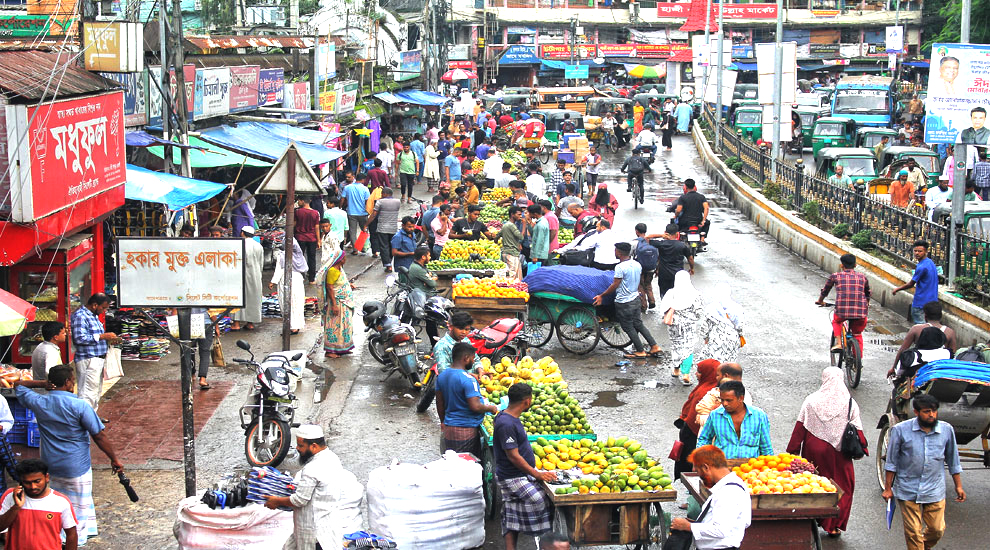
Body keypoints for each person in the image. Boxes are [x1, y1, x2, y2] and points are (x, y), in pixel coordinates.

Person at [13, 367, 123, 545]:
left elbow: (18, 384)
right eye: (72, 379)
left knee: (58, 500)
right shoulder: (80, 405)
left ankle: (67, 534)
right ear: (68, 382)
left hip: (51, 464)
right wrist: (114, 459)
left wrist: (45, 384)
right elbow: (99, 435)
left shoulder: (40, 401)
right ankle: (74, 540)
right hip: (76, 465)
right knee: (78, 504)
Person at [787, 367, 867, 537]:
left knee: (814, 484)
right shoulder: (850, 402)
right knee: (843, 486)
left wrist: (792, 451)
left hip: (813, 450)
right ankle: (833, 525)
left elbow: (800, 426)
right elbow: (858, 430)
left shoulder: (811, 400)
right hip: (839, 453)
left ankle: (814, 517)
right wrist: (863, 448)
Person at [883, 394, 965, 550]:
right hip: (908, 489)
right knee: (913, 533)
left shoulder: (946, 430)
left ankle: (922, 546)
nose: (932, 415)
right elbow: (891, 462)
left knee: (937, 530)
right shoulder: (900, 431)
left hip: (934, 489)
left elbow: (953, 460)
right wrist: (888, 488)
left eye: (934, 411)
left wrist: (958, 486)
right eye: (927, 411)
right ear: (916, 412)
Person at [263, 425, 359, 550]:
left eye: (300, 446)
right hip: (324, 523)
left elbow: (299, 500)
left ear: (314, 446)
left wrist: (276, 501)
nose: (297, 449)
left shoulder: (312, 468)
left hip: (312, 529)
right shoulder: (332, 458)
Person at [493, 383, 558, 550]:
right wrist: (536, 474)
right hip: (512, 476)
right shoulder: (506, 424)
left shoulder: (509, 418)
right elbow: (513, 456)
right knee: (541, 500)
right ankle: (545, 543)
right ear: (527, 401)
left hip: (518, 474)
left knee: (511, 508)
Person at [669, 445, 751, 550]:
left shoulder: (728, 493)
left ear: (706, 468)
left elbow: (720, 530)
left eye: (698, 472)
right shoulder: (733, 484)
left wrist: (688, 526)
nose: (700, 478)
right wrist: (699, 523)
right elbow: (745, 522)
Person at [593, 242, 662, 359]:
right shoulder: (637, 264)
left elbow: (615, 285)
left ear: (619, 253)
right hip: (635, 299)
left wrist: (602, 295)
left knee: (628, 327)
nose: (614, 252)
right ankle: (654, 346)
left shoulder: (620, 267)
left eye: (615, 250)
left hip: (624, 302)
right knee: (639, 324)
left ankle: (640, 351)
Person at [0, 459, 78, 550]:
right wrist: (16, 507)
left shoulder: (61, 501)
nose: (33, 487)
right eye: (27, 482)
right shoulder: (10, 496)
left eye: (37, 481)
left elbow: (71, 535)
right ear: (21, 481)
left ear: (47, 477)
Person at [436, 342, 499, 456]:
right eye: (472, 358)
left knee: (452, 462)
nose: (474, 361)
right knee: (466, 466)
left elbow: (439, 402)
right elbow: (476, 406)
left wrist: (443, 421)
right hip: (465, 430)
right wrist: (491, 408)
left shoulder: (442, 376)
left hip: (449, 429)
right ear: (466, 358)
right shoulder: (468, 379)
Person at [696, 381, 773, 459]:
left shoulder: (759, 416)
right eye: (722, 400)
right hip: (721, 465)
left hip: (750, 467)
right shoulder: (715, 415)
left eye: (729, 400)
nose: (724, 403)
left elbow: (765, 446)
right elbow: (704, 439)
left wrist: (770, 465)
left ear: (741, 398)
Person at [673, 359, 721, 479]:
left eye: (699, 372)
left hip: (694, 436)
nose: (696, 374)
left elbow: (698, 419)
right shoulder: (707, 387)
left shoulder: (707, 393)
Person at [70, 293, 116, 413]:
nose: (104, 311)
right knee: (87, 392)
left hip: (97, 359)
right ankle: (85, 420)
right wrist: (102, 336)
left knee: (95, 391)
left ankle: (92, 417)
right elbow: (79, 338)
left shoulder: (93, 316)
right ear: (95, 305)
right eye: (103, 308)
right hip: (88, 359)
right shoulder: (81, 316)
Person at [888, 301, 957, 378]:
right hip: (940, 371)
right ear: (941, 315)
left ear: (925, 316)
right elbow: (952, 356)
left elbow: (902, 350)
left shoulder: (916, 329)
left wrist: (893, 368)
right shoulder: (950, 332)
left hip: (919, 371)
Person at [817, 253, 870, 352]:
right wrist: (866, 303)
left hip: (842, 311)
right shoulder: (862, 277)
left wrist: (820, 301)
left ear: (842, 265)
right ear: (855, 265)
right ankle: (857, 363)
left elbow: (825, 290)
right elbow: (868, 293)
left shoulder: (835, 276)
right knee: (857, 334)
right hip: (860, 312)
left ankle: (838, 343)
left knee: (836, 321)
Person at [660, 271, 705, 385]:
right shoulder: (695, 294)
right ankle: (686, 374)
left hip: (674, 326)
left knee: (676, 347)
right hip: (688, 326)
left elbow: (663, 309)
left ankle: (676, 370)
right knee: (688, 348)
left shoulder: (671, 293)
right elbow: (699, 312)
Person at [698, 282, 745, 366]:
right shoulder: (737, 308)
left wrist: (705, 337)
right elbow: (740, 326)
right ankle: (726, 378)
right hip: (732, 339)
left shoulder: (711, 308)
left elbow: (705, 326)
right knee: (728, 364)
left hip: (716, 339)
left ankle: (716, 378)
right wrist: (740, 335)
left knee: (715, 363)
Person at [892, 240, 939, 324]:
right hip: (932, 300)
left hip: (921, 302)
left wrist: (897, 289)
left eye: (920, 251)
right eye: (915, 251)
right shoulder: (930, 263)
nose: (917, 253)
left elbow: (911, 284)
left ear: (925, 252)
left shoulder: (921, 267)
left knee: (920, 325)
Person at [320, 249, 355, 358]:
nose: (346, 259)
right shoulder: (332, 271)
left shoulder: (340, 269)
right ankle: (331, 351)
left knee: (345, 326)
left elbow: (340, 281)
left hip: (344, 303)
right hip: (337, 303)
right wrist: (334, 305)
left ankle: (342, 347)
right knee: (335, 326)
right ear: (340, 259)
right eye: (344, 258)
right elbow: (330, 288)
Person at [696, 363, 751, 429]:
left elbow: (723, 422)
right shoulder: (743, 394)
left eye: (717, 375)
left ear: (725, 376)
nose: (716, 378)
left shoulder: (731, 395)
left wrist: (701, 418)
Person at [271, 238, 308, 334]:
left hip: (285, 279)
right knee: (297, 303)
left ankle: (292, 327)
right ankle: (297, 325)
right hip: (297, 280)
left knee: (287, 302)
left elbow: (278, 270)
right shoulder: (299, 255)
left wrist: (273, 282)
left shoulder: (282, 256)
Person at [647, 223, 694, 297]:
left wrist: (661, 235)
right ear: (677, 234)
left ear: (666, 232)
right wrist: (692, 268)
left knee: (664, 294)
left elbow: (647, 238)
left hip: (664, 274)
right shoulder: (682, 246)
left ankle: (665, 307)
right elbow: (690, 258)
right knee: (677, 294)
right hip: (677, 275)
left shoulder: (661, 244)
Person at [557, 218, 621, 271]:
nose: (596, 228)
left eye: (597, 226)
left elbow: (587, 246)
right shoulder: (616, 234)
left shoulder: (598, 236)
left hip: (601, 263)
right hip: (615, 262)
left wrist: (576, 248)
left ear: (603, 227)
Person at [232, 226, 264, 331]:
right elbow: (261, 263)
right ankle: (250, 323)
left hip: (239, 275)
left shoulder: (239, 245)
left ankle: (236, 324)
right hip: (255, 275)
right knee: (252, 298)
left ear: (242, 233)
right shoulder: (259, 246)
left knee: (238, 297)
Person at [431, 310, 482, 374]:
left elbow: (475, 359)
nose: (464, 332)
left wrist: (480, 370)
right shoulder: (442, 346)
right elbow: (444, 372)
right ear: (451, 327)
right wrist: (469, 376)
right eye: (460, 328)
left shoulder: (466, 340)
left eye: (467, 329)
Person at [366, 187, 402, 272]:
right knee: (391, 245)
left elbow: (374, 215)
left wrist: (366, 224)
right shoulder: (397, 202)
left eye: (382, 193)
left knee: (384, 246)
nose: (381, 195)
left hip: (382, 228)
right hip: (393, 228)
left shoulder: (380, 202)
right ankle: (389, 262)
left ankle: (388, 264)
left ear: (385, 194)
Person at [293, 198, 321, 284]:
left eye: (299, 200)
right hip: (312, 238)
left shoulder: (297, 212)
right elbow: (317, 227)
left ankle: (301, 277)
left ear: (303, 201)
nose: (298, 202)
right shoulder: (316, 213)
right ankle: (311, 279)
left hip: (300, 237)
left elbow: (294, 224)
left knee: (299, 257)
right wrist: (318, 240)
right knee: (312, 258)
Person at [342, 172, 371, 253]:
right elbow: (367, 201)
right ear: (362, 180)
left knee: (352, 231)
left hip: (351, 212)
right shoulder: (365, 189)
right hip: (363, 213)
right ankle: (362, 247)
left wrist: (340, 207)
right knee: (364, 230)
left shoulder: (347, 187)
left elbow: (342, 199)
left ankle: (355, 250)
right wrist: (368, 211)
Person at [633, 224, 659, 311]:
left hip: (640, 268)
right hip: (651, 268)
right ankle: (652, 301)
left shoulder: (634, 242)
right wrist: (657, 268)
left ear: (636, 231)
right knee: (648, 284)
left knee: (640, 286)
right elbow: (657, 256)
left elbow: (629, 255)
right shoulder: (651, 242)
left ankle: (643, 306)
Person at [499, 206, 524, 280]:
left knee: (511, 275)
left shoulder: (506, 225)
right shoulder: (511, 226)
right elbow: (521, 237)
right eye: (518, 214)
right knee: (512, 276)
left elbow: (498, 235)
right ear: (512, 215)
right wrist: (524, 225)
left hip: (507, 252)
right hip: (511, 253)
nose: (520, 216)